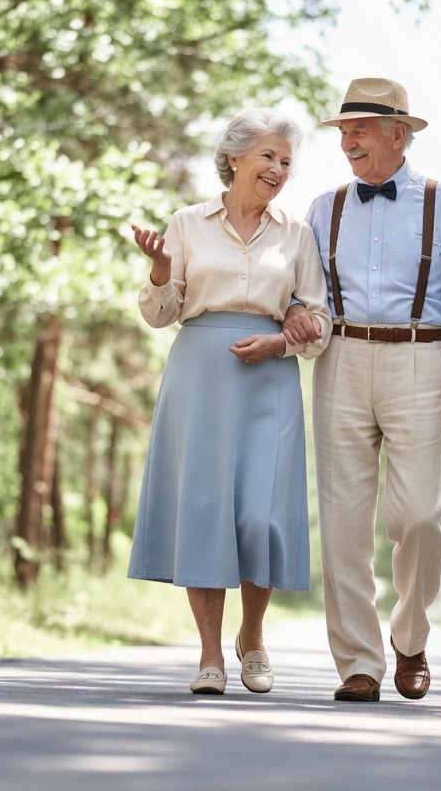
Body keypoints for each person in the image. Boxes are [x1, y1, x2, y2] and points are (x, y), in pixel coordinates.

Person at [283, 77, 441, 702]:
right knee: (344, 522)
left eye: (359, 129)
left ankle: (410, 636)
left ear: (398, 134)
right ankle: (359, 664)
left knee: (421, 517)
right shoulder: (325, 208)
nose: (346, 141)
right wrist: (296, 311)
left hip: (421, 361)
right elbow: (307, 291)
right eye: (343, 131)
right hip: (341, 359)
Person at [128, 108, 332, 696]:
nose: (277, 169)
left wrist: (284, 338)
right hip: (201, 373)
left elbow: (319, 322)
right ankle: (210, 655)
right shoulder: (188, 223)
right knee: (205, 509)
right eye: (267, 156)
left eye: (286, 161)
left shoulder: (296, 233)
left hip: (268, 376)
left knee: (260, 516)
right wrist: (162, 270)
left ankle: (254, 637)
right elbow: (160, 314)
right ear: (235, 158)